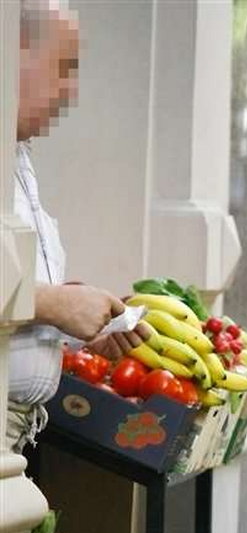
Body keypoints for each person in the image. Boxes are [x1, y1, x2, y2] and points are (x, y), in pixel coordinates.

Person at [8, 0, 149, 453]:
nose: (70, 93)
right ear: (13, 54)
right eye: (62, 69)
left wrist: (76, 332)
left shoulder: (18, 159)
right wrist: (51, 302)